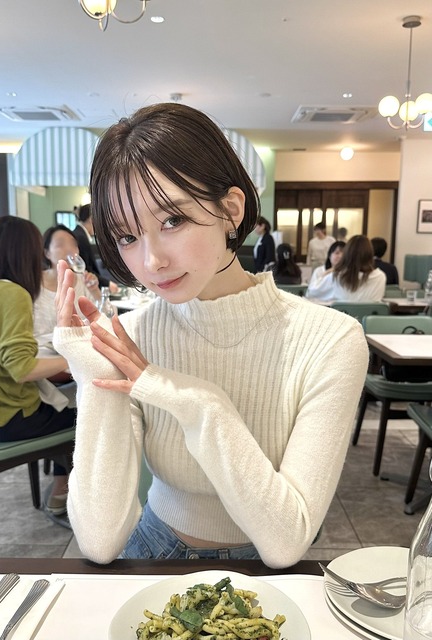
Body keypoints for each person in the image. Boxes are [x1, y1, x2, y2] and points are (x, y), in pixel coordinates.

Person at [52, 102, 369, 567]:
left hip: (264, 572)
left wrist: (200, 404)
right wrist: (94, 375)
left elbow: (285, 543)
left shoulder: (331, 340)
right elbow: (99, 541)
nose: (152, 261)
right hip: (153, 551)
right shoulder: (133, 336)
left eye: (172, 221)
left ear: (231, 209)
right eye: (127, 237)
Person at [0, 216, 76, 516]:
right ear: (27, 253)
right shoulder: (13, 294)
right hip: (8, 420)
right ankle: (64, 489)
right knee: (86, 414)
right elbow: (21, 369)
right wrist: (73, 358)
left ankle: (62, 485)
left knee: (64, 400)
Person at [34, 224, 102, 355]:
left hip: (81, 352)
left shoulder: (83, 281)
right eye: (60, 244)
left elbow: (105, 320)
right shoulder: (34, 283)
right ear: (47, 253)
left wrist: (95, 291)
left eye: (73, 244)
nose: (69, 249)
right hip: (43, 356)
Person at [306, 234, 386, 303]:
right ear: (370, 254)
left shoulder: (337, 277)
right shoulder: (380, 277)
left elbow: (311, 292)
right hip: (369, 317)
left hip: (342, 316)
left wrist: (325, 274)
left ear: (347, 255)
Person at [74, 203, 116, 290]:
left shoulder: (80, 234)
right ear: (91, 219)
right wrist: (107, 284)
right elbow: (85, 270)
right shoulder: (80, 237)